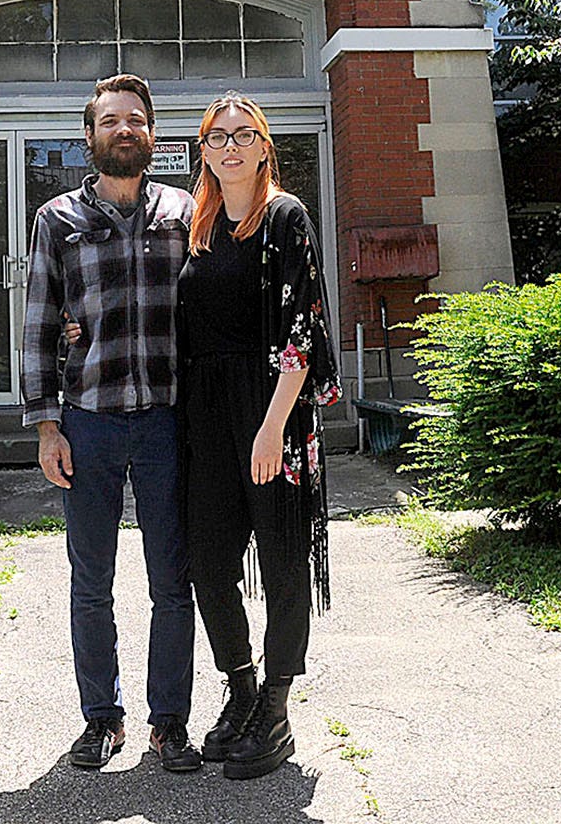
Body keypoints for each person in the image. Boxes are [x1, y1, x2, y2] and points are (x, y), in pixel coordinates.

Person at [21, 74, 202, 773]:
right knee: (90, 580)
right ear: (89, 136)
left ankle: (169, 724)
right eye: (109, 121)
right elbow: (39, 323)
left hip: (166, 422)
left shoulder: (186, 212)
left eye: (135, 120)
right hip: (88, 422)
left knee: (171, 582)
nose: (123, 130)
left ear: (153, 134)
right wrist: (45, 426)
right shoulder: (58, 219)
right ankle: (103, 719)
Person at [179, 93, 339, 780]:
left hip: (272, 409)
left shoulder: (285, 215)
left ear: (266, 146)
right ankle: (241, 689)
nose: (232, 147)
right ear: (204, 151)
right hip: (207, 416)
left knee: (279, 564)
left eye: (246, 135)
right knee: (207, 563)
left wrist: (272, 428)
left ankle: (276, 711)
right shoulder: (200, 224)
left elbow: (303, 326)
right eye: (218, 137)